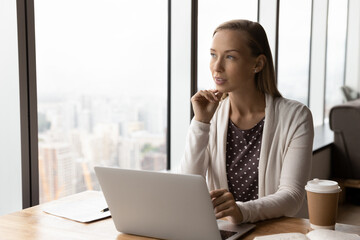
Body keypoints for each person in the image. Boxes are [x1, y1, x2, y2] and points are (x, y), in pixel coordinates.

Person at [180, 19, 314, 224]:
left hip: (273, 232)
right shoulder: (211, 115)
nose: (217, 66)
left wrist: (241, 211)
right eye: (213, 55)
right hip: (223, 232)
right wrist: (200, 123)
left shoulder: (296, 117)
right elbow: (187, 187)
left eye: (230, 57)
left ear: (258, 64)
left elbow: (292, 196)